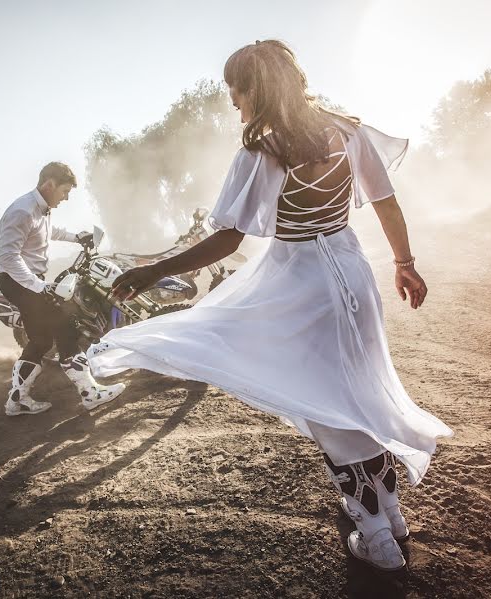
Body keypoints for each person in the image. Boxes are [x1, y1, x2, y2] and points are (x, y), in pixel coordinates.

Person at [88, 40, 452, 571]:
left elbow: (227, 241)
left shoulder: (264, 150)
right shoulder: (347, 131)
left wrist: (152, 272)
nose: (234, 104)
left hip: (300, 280)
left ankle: (375, 537)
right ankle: (388, 514)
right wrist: (404, 262)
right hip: (352, 270)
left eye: (235, 93)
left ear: (254, 88)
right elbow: (385, 200)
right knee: (362, 388)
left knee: (326, 398)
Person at [0, 161, 125, 416]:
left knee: (41, 341)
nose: (65, 198)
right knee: (66, 327)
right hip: (20, 281)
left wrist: (75, 237)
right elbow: (8, 258)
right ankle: (90, 394)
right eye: (64, 191)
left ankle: (17, 400)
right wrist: (38, 286)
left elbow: (47, 231)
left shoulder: (40, 209)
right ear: (49, 184)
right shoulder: (21, 211)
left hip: (28, 281)